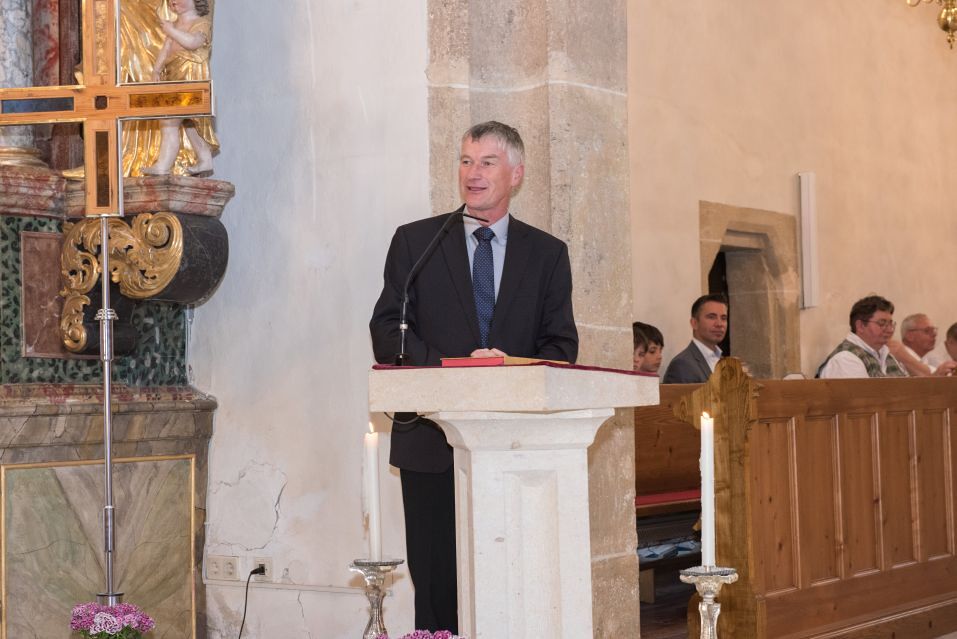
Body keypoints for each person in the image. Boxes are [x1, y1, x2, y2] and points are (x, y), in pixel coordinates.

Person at [369, 121, 578, 633]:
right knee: (437, 589)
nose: (473, 173)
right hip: (430, 446)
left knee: (513, 582)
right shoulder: (416, 241)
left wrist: (506, 367)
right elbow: (388, 330)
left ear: (516, 174)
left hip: (515, 447)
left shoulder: (547, 253)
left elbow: (561, 348)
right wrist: (454, 371)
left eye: (487, 162)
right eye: (466, 161)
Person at [141, 0, 218, 176]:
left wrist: (171, 31)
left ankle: (163, 165)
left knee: (169, 121)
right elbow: (166, 49)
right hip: (175, 75)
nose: (173, 1)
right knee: (190, 122)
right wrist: (156, 70)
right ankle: (205, 159)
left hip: (190, 76)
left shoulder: (201, 23)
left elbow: (193, 42)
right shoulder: (175, 24)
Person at [817, 295, 907, 378]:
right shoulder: (846, 359)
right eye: (882, 323)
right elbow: (862, 392)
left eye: (890, 324)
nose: (890, 330)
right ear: (860, 326)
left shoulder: (886, 354)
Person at [662, 294, 728, 384]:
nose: (719, 324)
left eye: (723, 318)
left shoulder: (724, 361)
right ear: (694, 323)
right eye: (711, 317)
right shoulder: (682, 365)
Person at [889, 313, 957, 377]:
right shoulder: (899, 355)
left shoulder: (922, 358)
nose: (934, 335)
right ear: (910, 336)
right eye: (927, 331)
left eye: (933, 331)